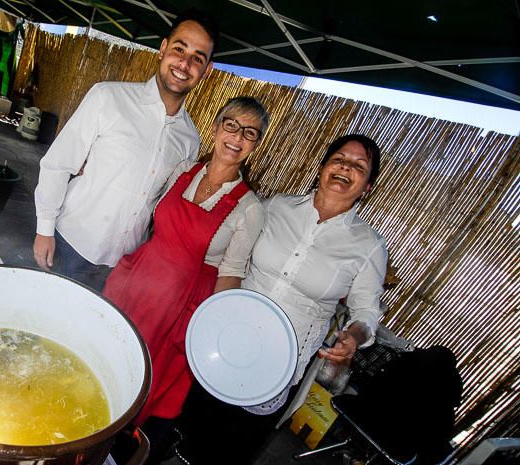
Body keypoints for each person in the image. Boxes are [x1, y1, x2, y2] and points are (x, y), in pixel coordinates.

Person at [176, 134, 388, 465]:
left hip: (281, 361)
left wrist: (354, 336)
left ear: (368, 187)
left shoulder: (367, 245)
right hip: (229, 335)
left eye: (359, 166)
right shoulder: (276, 208)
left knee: (230, 447)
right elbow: (230, 250)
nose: (346, 167)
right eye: (339, 159)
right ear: (322, 167)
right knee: (189, 421)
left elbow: (366, 311)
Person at [103, 97, 268, 464]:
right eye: (231, 125)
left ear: (256, 144)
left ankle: (111, 451)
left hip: (179, 306)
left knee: (142, 385)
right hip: (139, 283)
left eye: (250, 132)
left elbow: (231, 273)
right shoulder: (182, 170)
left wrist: (210, 329)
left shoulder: (249, 208)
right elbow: (150, 219)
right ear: (215, 127)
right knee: (107, 358)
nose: (237, 137)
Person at [33, 9, 218, 292]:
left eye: (197, 58)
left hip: (123, 263)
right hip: (70, 244)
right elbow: (59, 163)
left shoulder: (189, 138)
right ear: (163, 48)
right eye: (179, 48)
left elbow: (162, 204)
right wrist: (44, 230)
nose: (184, 63)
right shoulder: (108, 97)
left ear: (207, 71)